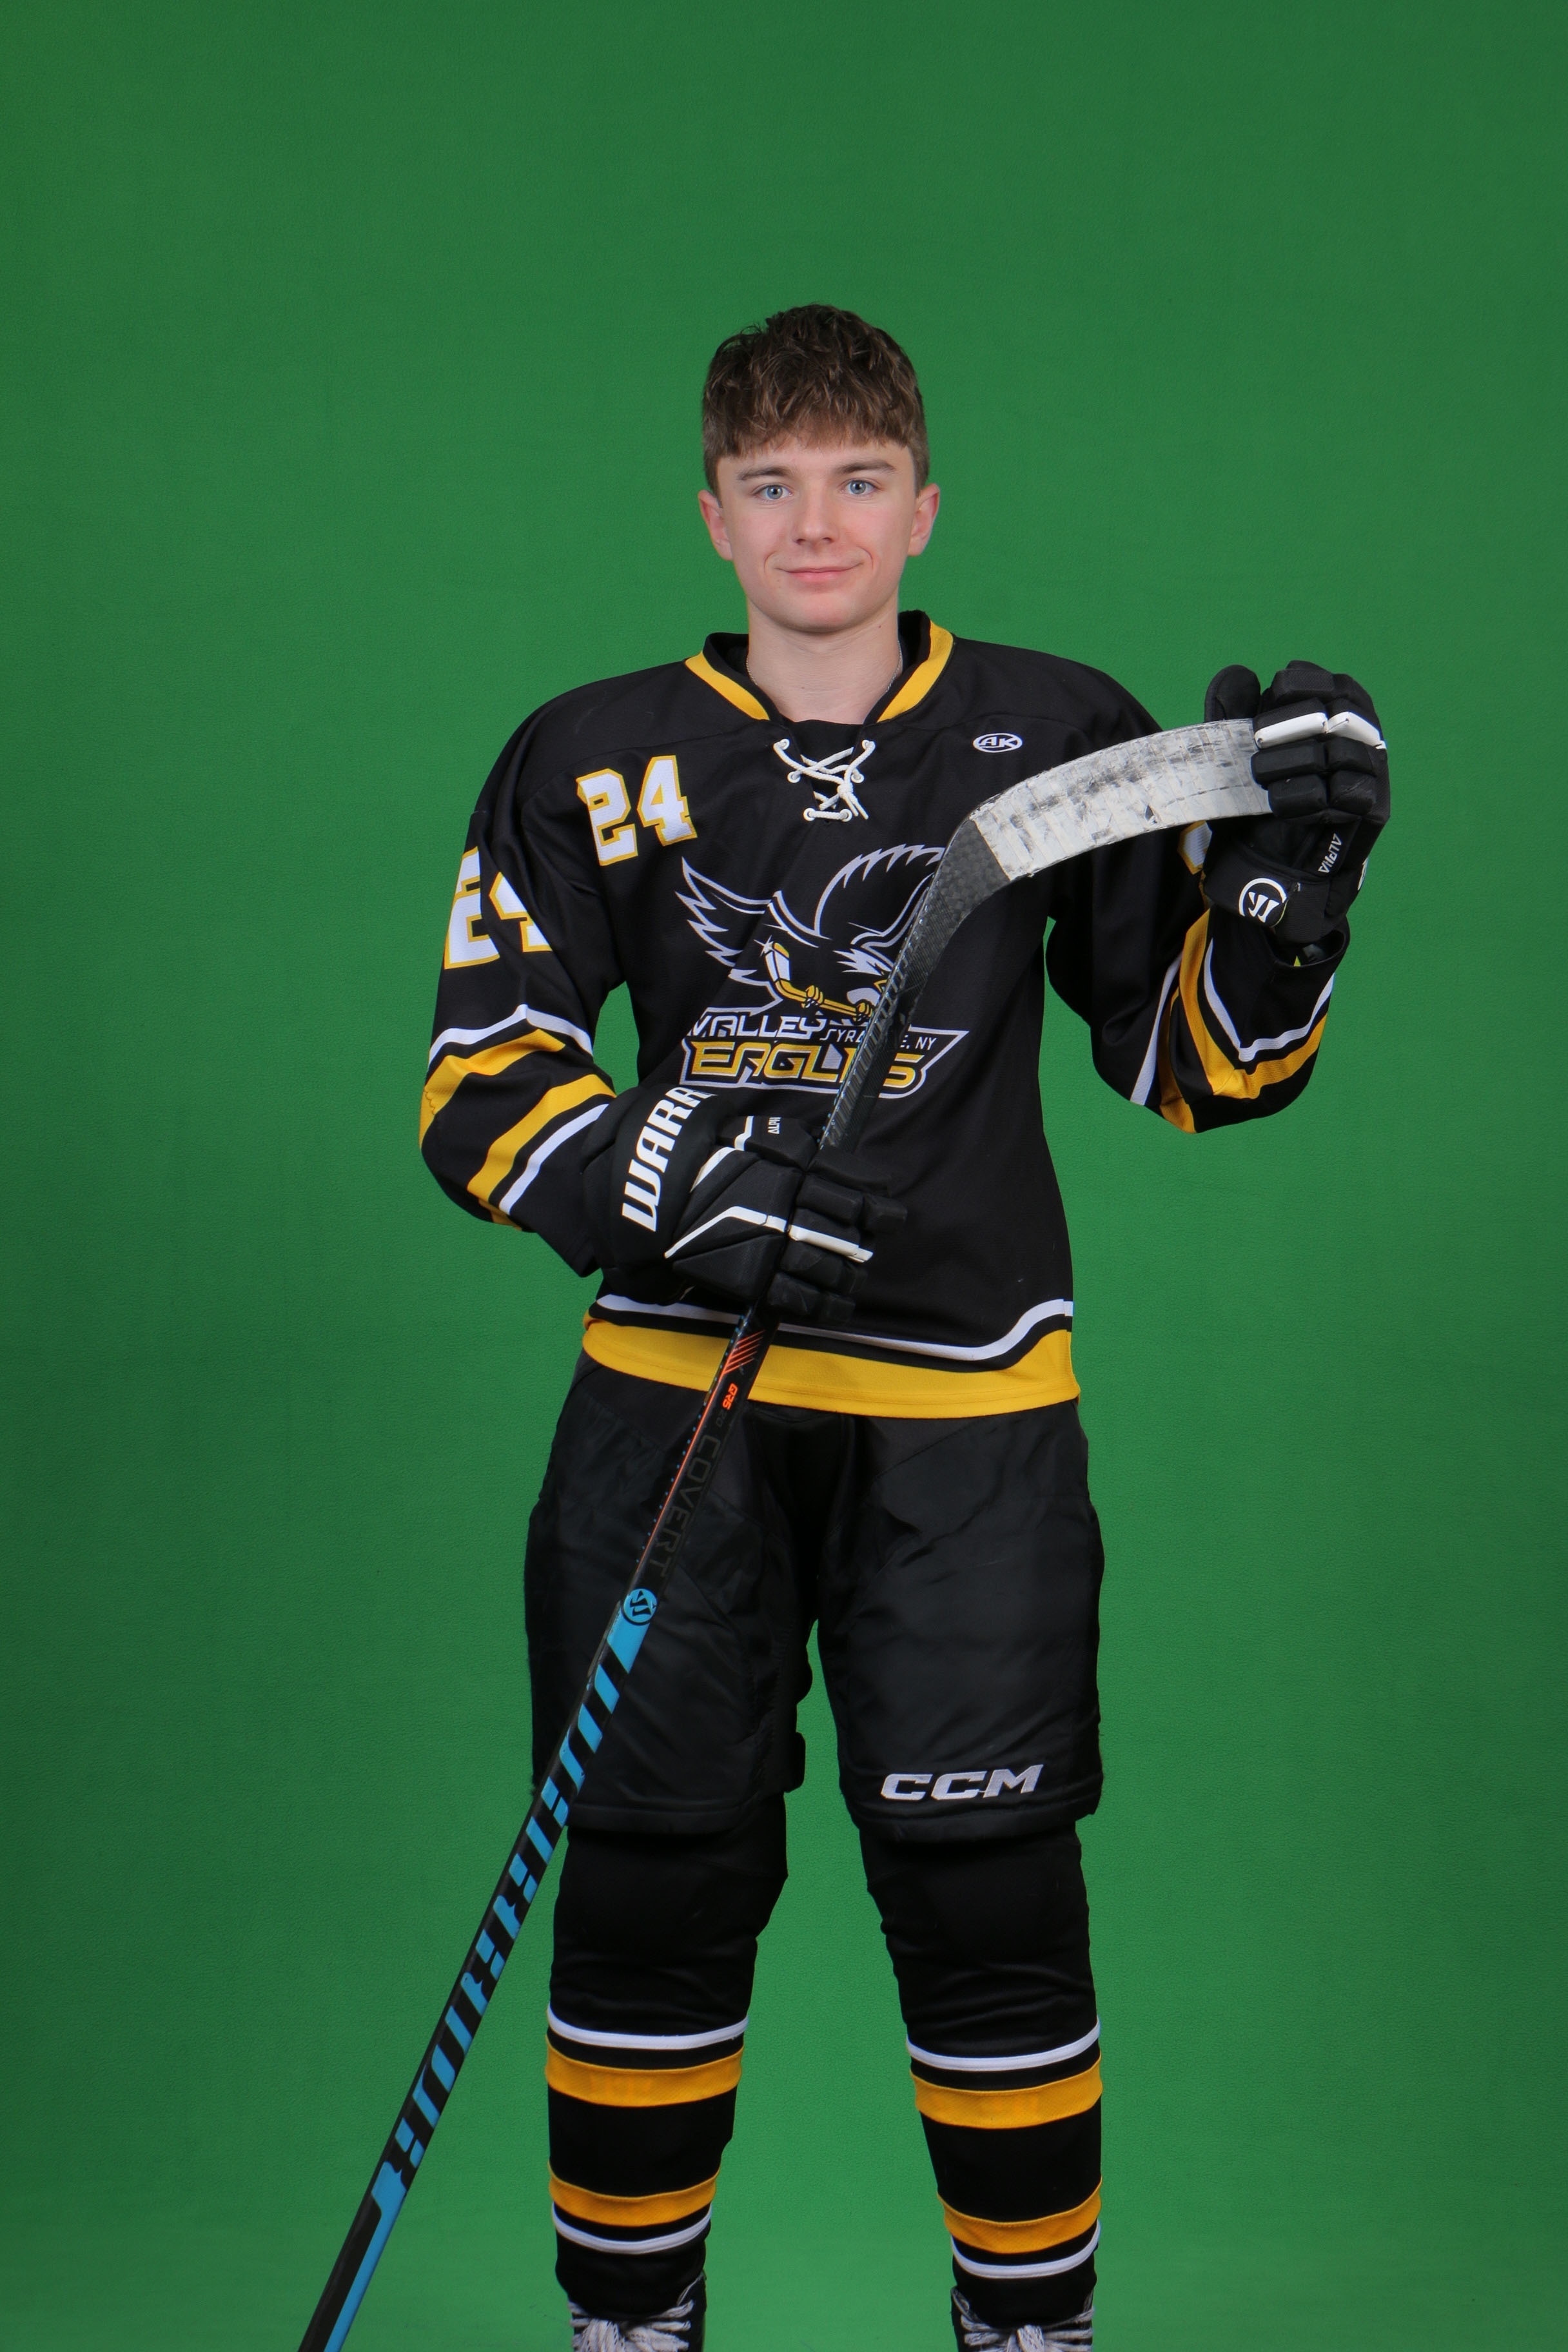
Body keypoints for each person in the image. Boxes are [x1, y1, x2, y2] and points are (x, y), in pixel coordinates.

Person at [419, 305, 1389, 2352]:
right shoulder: (589, 751)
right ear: (712, 515)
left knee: (989, 1897)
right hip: (673, 1418)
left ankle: (1028, 2333)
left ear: (924, 506)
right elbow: (479, 1078)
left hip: (969, 1430)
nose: (817, 524)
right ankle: (630, 2327)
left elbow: (1195, 1068)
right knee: (654, 1888)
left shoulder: (1062, 733)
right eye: (771, 485)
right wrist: (672, 1182)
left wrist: (1287, 912)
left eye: (858, 481)